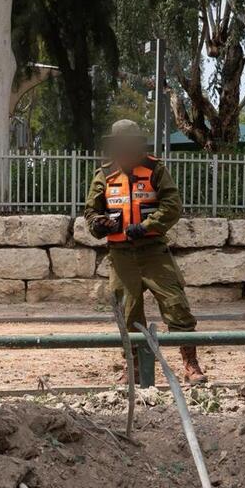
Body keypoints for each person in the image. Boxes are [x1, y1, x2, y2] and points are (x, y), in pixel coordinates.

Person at [84, 119, 207, 386]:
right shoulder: (104, 174)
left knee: (176, 305)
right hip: (120, 254)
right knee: (128, 313)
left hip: (153, 252)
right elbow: (91, 212)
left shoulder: (155, 169)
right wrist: (100, 224)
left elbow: (172, 206)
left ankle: (190, 364)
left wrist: (147, 226)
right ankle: (135, 366)